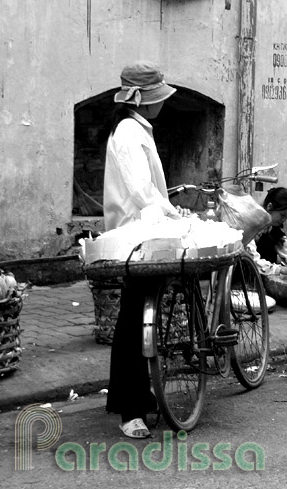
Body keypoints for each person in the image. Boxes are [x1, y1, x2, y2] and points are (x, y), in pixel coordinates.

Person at [104, 60, 179, 439]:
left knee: (135, 319)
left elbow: (149, 192)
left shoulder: (136, 129)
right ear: (146, 101)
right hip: (136, 237)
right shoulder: (131, 133)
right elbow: (140, 191)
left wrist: (167, 210)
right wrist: (169, 216)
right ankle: (130, 407)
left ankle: (136, 398)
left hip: (141, 233)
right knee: (135, 321)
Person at [249, 187, 287, 279]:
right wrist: (281, 270)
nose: (284, 220)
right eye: (282, 215)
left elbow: (286, 247)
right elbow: (251, 260)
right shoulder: (251, 225)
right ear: (269, 207)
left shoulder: (272, 226)